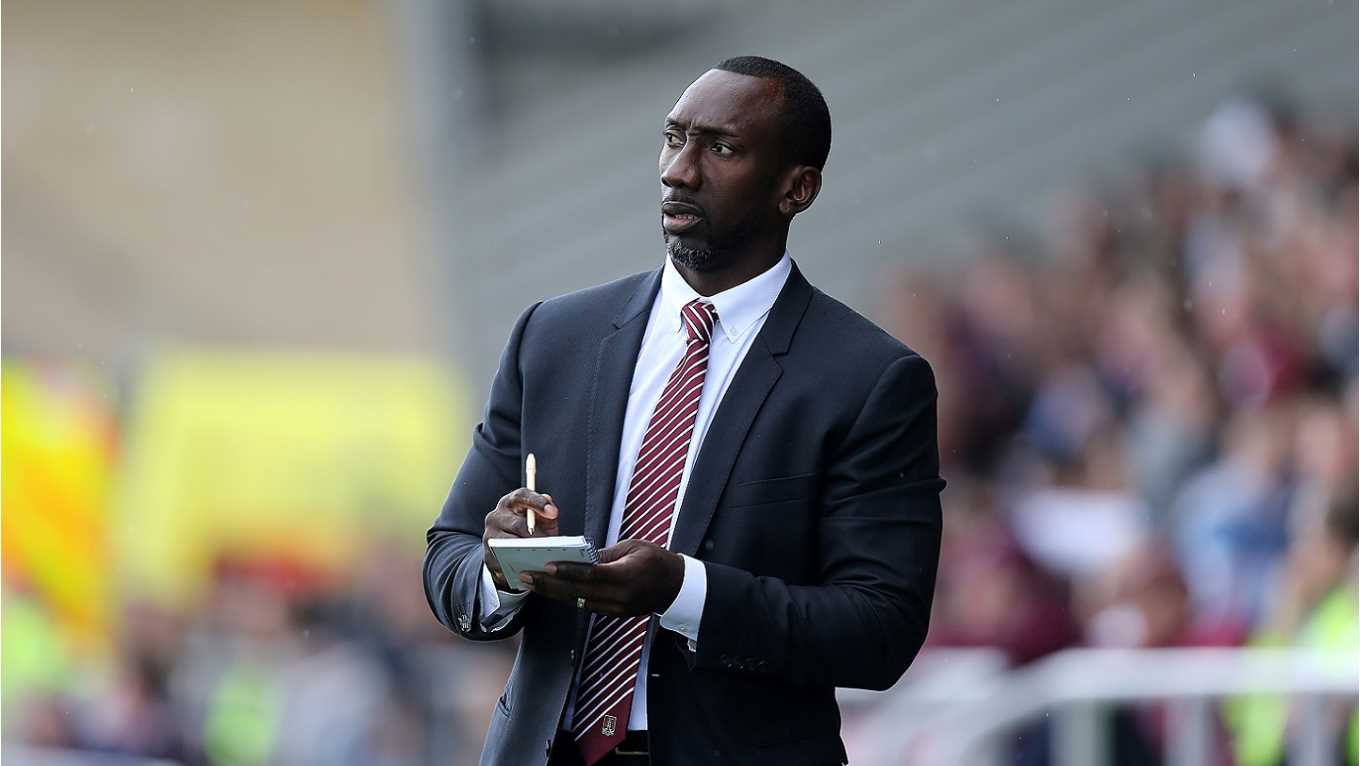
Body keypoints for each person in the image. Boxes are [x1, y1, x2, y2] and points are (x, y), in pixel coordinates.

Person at [423, 55, 944, 766]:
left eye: (720, 148)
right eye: (673, 139)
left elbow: (880, 630)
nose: (679, 171)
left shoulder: (870, 379)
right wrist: (501, 570)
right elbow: (448, 554)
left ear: (797, 188)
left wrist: (685, 592)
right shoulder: (553, 338)